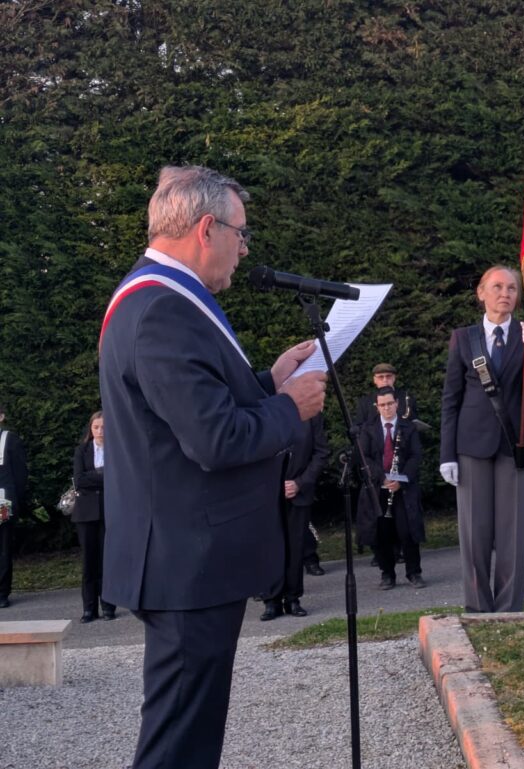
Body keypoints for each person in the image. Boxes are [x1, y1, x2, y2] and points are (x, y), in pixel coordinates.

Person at [98, 165, 327, 769]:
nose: (244, 248)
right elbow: (214, 438)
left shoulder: (159, 296)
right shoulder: (162, 311)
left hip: (184, 556)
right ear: (207, 228)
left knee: (188, 735)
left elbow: (191, 407)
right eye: (241, 233)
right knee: (178, 745)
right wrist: (289, 408)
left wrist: (267, 380)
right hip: (184, 560)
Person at [440, 265, 524, 613]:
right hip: (471, 446)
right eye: (497, 287)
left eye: (512, 288)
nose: (505, 294)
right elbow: (451, 399)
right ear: (481, 293)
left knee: (513, 533)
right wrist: (447, 454)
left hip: (513, 445)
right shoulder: (464, 338)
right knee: (475, 532)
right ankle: (477, 606)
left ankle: (508, 609)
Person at [260, 414, 329, 620]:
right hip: (267, 495)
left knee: (296, 547)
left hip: (298, 493)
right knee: (269, 548)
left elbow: (321, 452)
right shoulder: (263, 406)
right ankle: (271, 600)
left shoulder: (311, 414)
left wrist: (300, 482)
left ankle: (292, 598)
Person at [357, 386, 426, 589]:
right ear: (377, 407)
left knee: (408, 532)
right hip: (379, 488)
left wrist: (401, 479)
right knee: (382, 533)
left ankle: (414, 573)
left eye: (390, 404)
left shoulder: (408, 427)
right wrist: (382, 478)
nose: (386, 408)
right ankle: (387, 574)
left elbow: (416, 456)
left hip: (403, 488)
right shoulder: (368, 429)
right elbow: (365, 458)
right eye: (382, 405)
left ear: (397, 403)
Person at [72, 411, 116, 623]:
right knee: (89, 561)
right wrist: (102, 474)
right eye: (96, 427)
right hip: (86, 512)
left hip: (109, 510)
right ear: (90, 429)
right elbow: (79, 480)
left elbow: (119, 478)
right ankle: (89, 608)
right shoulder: (82, 450)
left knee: (107, 559)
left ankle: (108, 605)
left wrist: (97, 475)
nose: (100, 431)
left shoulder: (117, 451)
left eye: (104, 427)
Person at [0, 403, 28, 609]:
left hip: (2, 501)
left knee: (2, 547)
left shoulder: (9, 439)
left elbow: (19, 475)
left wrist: (16, 502)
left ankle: (2, 592)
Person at [354, 363, 419, 427]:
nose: (385, 380)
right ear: (375, 380)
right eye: (380, 377)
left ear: (394, 378)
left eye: (388, 376)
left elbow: (414, 423)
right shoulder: (365, 402)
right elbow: (360, 426)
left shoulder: (407, 398)